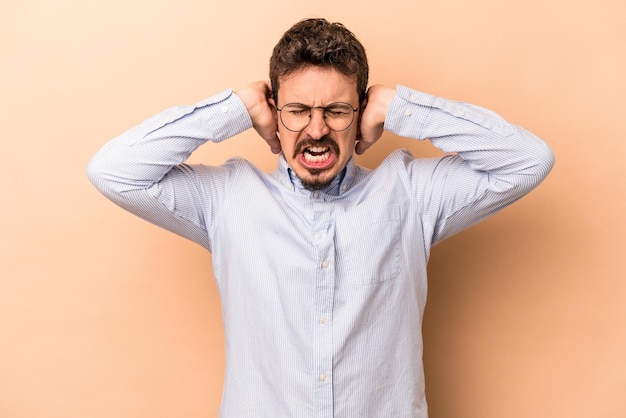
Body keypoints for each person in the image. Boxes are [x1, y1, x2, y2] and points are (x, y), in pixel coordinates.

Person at [88, 17, 554, 418]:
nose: (316, 130)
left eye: (335, 110)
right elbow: (114, 172)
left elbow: (528, 160)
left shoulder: (412, 194)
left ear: (360, 111)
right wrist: (236, 107)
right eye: (298, 110)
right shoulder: (227, 199)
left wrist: (399, 107)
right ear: (273, 112)